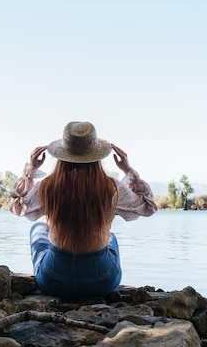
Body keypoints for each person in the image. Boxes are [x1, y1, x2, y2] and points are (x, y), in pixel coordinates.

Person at [9, 121, 157, 299]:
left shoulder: (48, 187)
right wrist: (128, 170)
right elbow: (148, 207)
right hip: (101, 282)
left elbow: (17, 206)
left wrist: (30, 170)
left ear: (62, 156)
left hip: (55, 282)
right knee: (111, 237)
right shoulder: (111, 188)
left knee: (39, 229)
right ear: (97, 156)